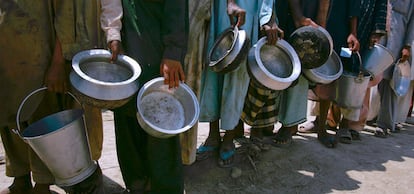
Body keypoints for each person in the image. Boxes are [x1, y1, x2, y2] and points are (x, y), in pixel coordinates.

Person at [109, 0, 189, 193]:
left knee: (160, 126)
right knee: (128, 122)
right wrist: (113, 35)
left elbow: (177, 8)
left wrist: (173, 51)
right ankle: (137, 184)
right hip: (127, 52)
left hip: (157, 52)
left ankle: (165, 187)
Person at [196, 0, 252, 168]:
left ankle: (229, 137)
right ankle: (213, 135)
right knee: (213, 61)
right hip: (220, 6)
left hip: (250, 7)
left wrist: (269, 19)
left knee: (237, 74)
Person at [271, 0, 331, 147]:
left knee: (301, 62)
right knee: (278, 61)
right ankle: (271, 123)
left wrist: (320, 20)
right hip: (290, 11)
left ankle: (289, 124)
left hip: (307, 12)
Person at [375, 0, 414, 136]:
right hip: (379, 33)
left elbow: (412, 21)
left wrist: (407, 45)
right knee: (373, 77)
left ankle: (384, 123)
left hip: (398, 37)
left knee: (390, 82)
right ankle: (366, 118)